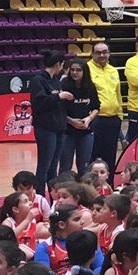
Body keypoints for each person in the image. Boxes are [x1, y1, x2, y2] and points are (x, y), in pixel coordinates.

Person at [28, 51, 68, 187]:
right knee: (44, 166)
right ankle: (39, 194)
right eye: (62, 64)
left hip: (59, 128)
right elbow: (38, 103)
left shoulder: (56, 81)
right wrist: (58, 96)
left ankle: (53, 195)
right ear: (58, 64)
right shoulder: (38, 80)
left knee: (53, 166)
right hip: (46, 129)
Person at [87, 41, 124, 175]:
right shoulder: (86, 69)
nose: (102, 55)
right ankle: (90, 184)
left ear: (109, 53)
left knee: (110, 155)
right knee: (92, 155)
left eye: (104, 52)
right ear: (92, 54)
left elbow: (118, 94)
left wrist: (120, 115)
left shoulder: (113, 70)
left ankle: (109, 183)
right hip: (95, 119)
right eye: (98, 52)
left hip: (113, 119)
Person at [58, 58, 99, 175]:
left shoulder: (90, 87)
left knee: (84, 167)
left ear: (84, 71)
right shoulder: (63, 85)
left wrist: (89, 119)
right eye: (72, 70)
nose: (75, 73)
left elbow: (96, 107)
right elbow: (58, 110)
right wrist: (71, 121)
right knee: (65, 166)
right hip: (67, 132)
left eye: (78, 70)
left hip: (85, 132)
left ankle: (83, 187)